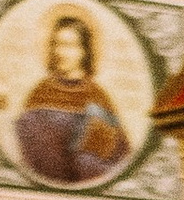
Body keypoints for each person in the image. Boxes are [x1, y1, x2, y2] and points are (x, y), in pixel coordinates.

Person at [11, 10, 132, 188]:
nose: (60, 52)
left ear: (84, 50)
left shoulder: (97, 95)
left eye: (69, 45)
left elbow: (119, 154)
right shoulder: (40, 92)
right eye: (57, 44)